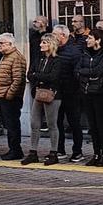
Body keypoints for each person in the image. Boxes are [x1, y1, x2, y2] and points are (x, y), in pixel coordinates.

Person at [23, 33, 64, 166]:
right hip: (38, 93)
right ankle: (33, 152)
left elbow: (54, 77)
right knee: (35, 123)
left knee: (52, 124)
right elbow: (30, 74)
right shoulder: (38, 59)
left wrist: (38, 76)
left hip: (52, 95)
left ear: (51, 44)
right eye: (41, 42)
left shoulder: (57, 60)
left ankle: (54, 152)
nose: (41, 45)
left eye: (44, 43)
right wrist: (39, 76)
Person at [77, 29, 103, 167]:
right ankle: (96, 154)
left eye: (90, 38)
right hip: (86, 91)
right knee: (92, 125)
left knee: (101, 125)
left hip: (100, 92)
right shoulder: (84, 52)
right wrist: (88, 74)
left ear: (98, 40)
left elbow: (100, 71)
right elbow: (77, 70)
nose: (87, 40)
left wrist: (87, 73)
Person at [52, 24, 86, 162]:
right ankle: (59, 149)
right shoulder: (54, 51)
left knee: (74, 123)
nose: (52, 37)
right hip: (57, 93)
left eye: (54, 34)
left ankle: (77, 151)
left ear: (63, 36)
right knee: (57, 122)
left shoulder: (74, 51)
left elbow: (77, 73)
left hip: (72, 93)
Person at [0, 32, 27, 160]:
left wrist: (9, 94)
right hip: (2, 95)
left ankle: (15, 150)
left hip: (10, 98)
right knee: (8, 124)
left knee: (12, 124)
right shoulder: (6, 56)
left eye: (2, 43)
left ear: (10, 44)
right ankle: (12, 148)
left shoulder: (16, 57)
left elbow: (18, 79)